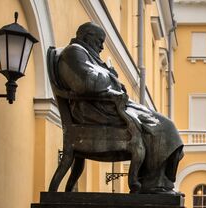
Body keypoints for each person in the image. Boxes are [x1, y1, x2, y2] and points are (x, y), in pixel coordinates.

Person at [57, 22, 184, 194]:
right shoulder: (74, 52)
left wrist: (109, 76)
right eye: (99, 40)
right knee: (163, 128)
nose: (102, 46)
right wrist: (110, 77)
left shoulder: (87, 55)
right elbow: (85, 82)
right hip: (95, 112)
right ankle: (153, 185)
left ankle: (158, 182)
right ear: (86, 36)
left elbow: (97, 80)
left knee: (166, 125)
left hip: (108, 107)